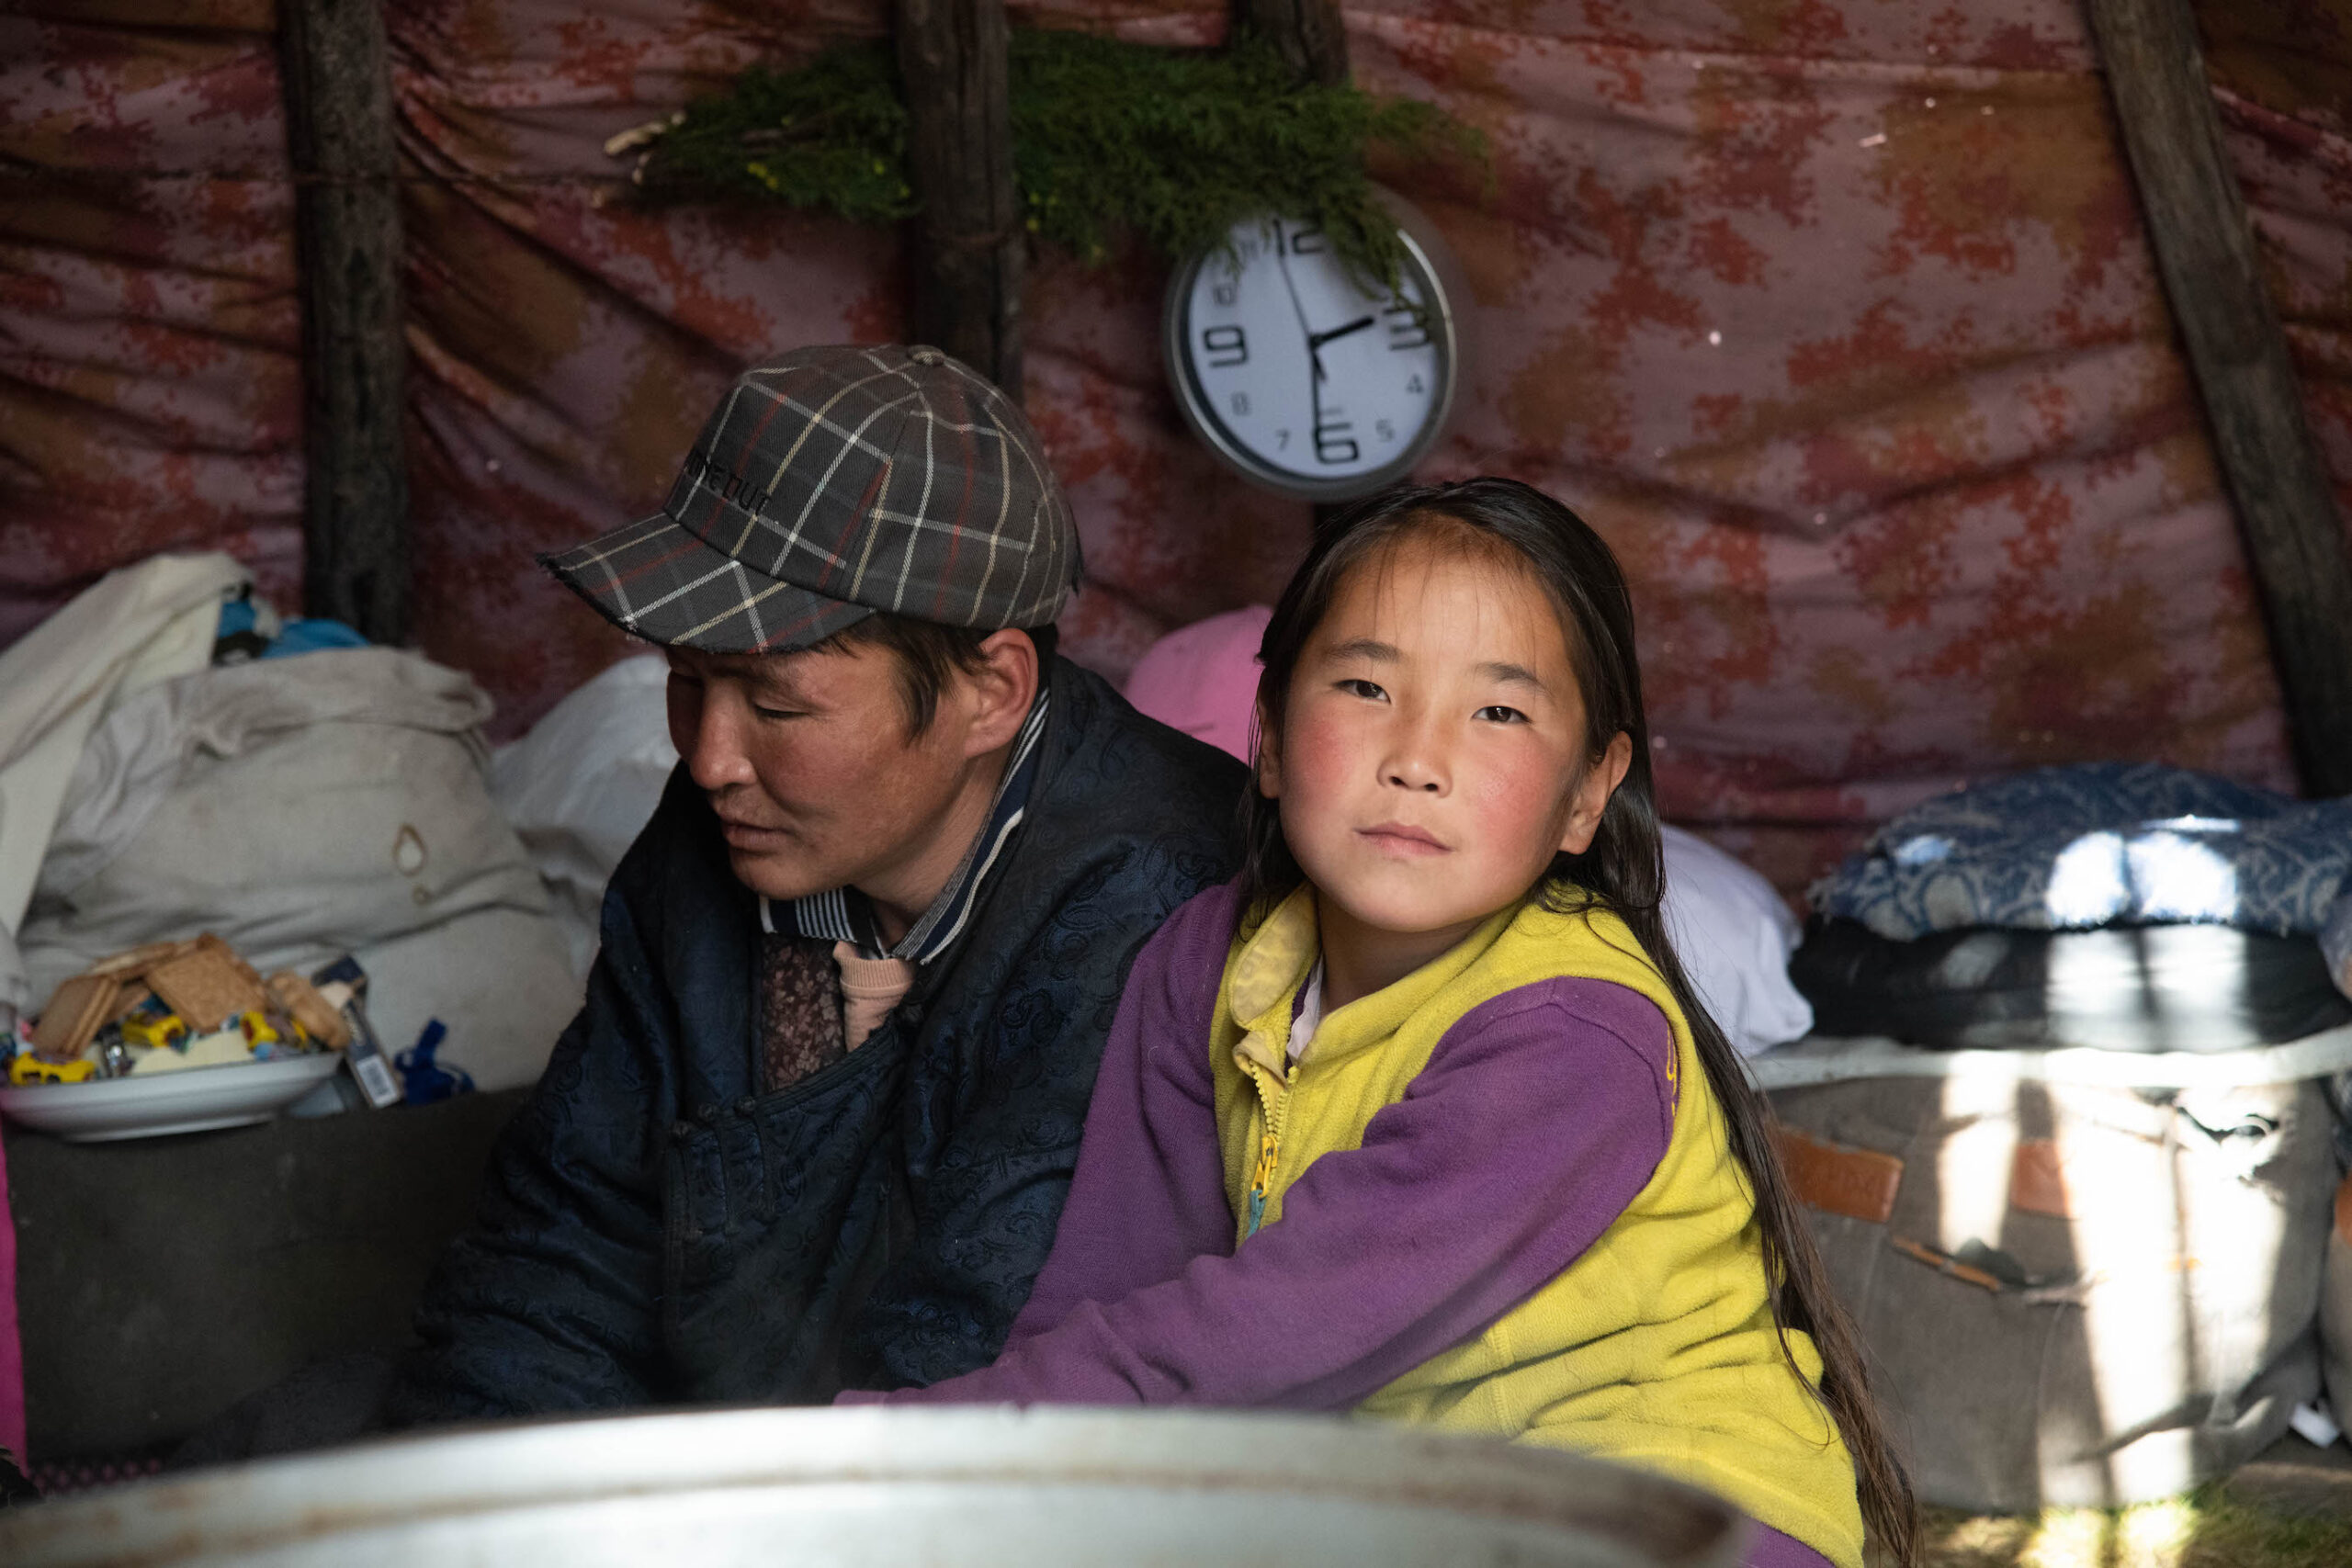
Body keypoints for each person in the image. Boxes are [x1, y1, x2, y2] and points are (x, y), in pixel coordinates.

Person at [840, 478, 1917, 1568]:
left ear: (1589, 794)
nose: (1416, 759)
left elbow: (1256, 1341)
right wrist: (973, 1491)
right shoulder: (1209, 964)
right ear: (1267, 735)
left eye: (1498, 712)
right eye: (1364, 686)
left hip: (1672, 1516)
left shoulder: (1570, 1038)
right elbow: (1107, 1300)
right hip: (1418, 1505)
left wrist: (907, 1452)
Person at [385, 344, 1248, 1421]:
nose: (708, 758)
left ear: (991, 691)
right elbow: (564, 1242)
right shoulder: (725, 826)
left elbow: (972, 1366)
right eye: (686, 682)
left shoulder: (1159, 905)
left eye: (777, 706)